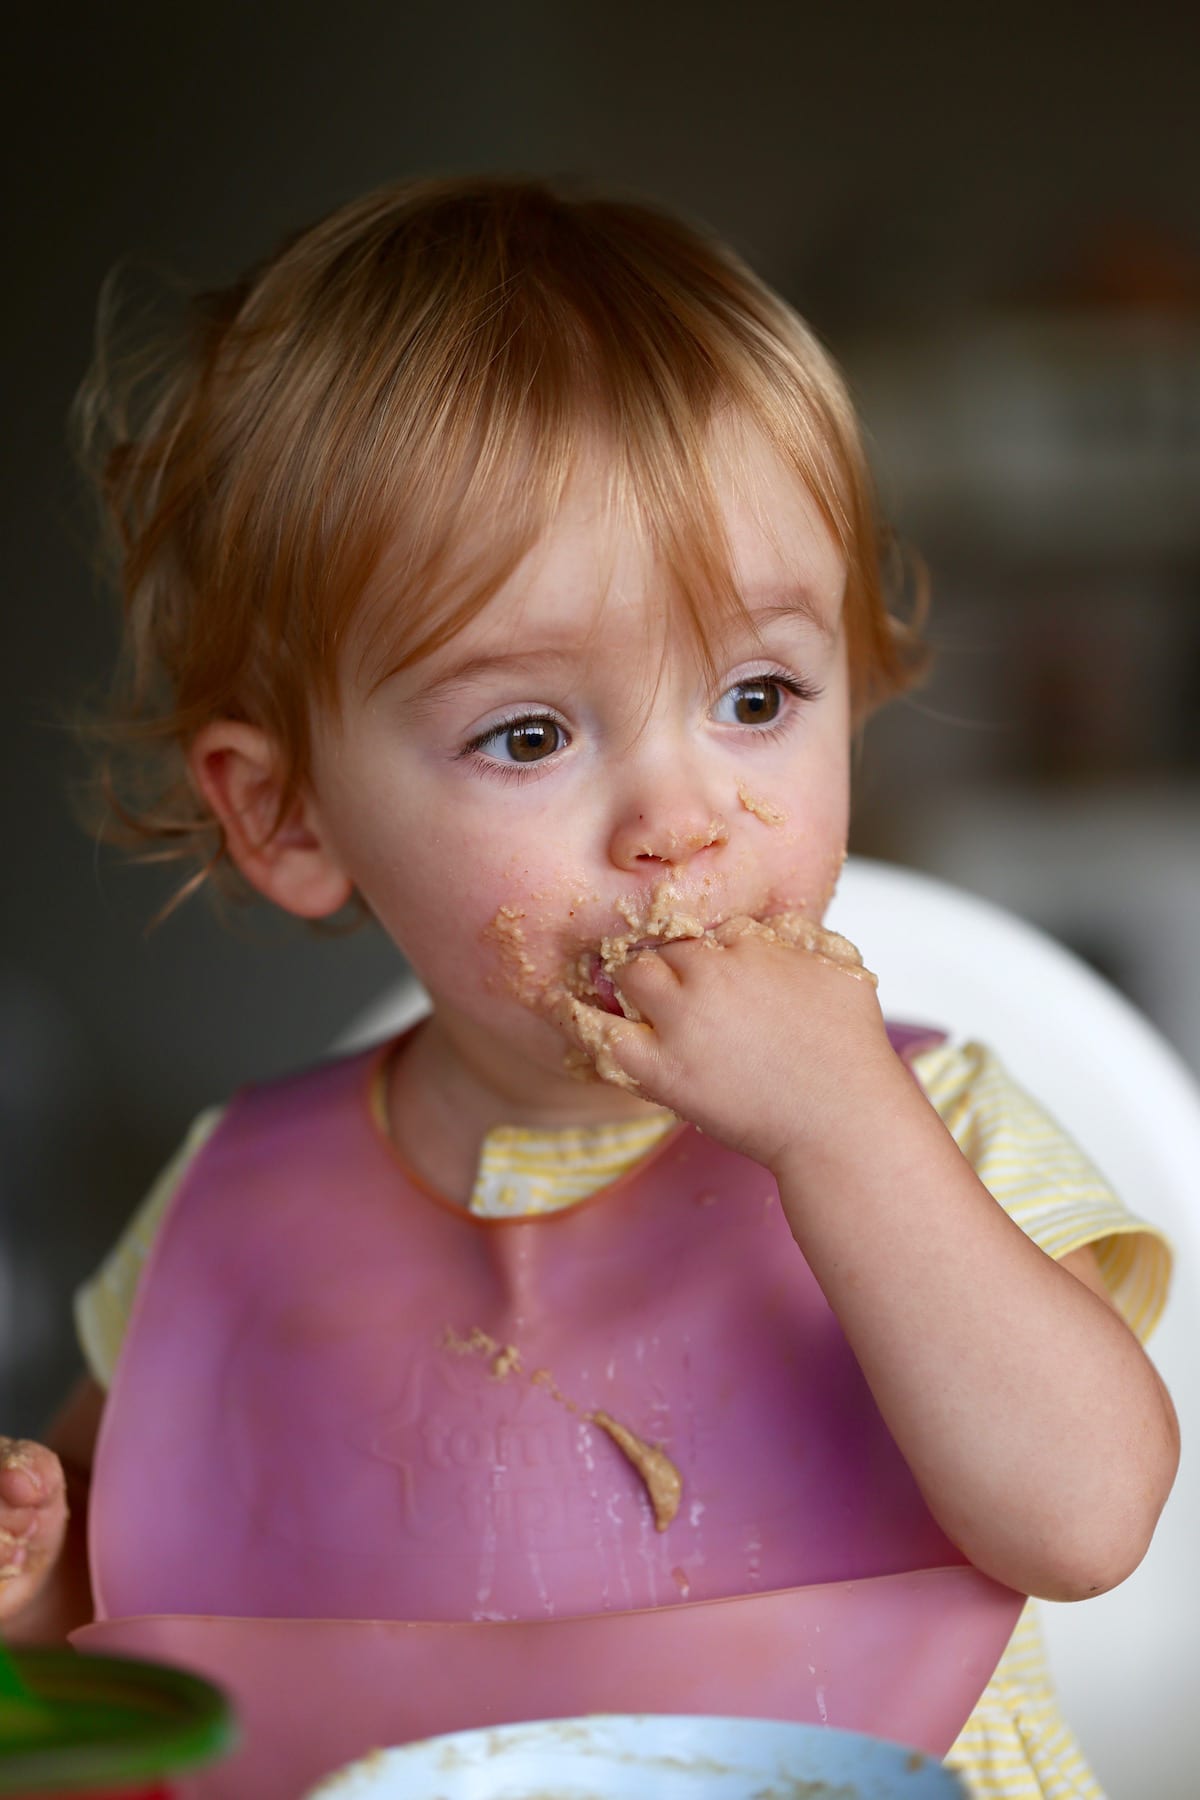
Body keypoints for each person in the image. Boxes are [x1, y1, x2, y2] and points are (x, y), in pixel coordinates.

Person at [0, 177, 1178, 1799]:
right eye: (532, 734)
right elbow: (153, 1608)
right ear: (287, 815)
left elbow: (1086, 1518)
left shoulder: (932, 1128)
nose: (683, 820)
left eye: (758, 695)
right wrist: (44, 1582)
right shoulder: (237, 1204)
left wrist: (844, 1132)